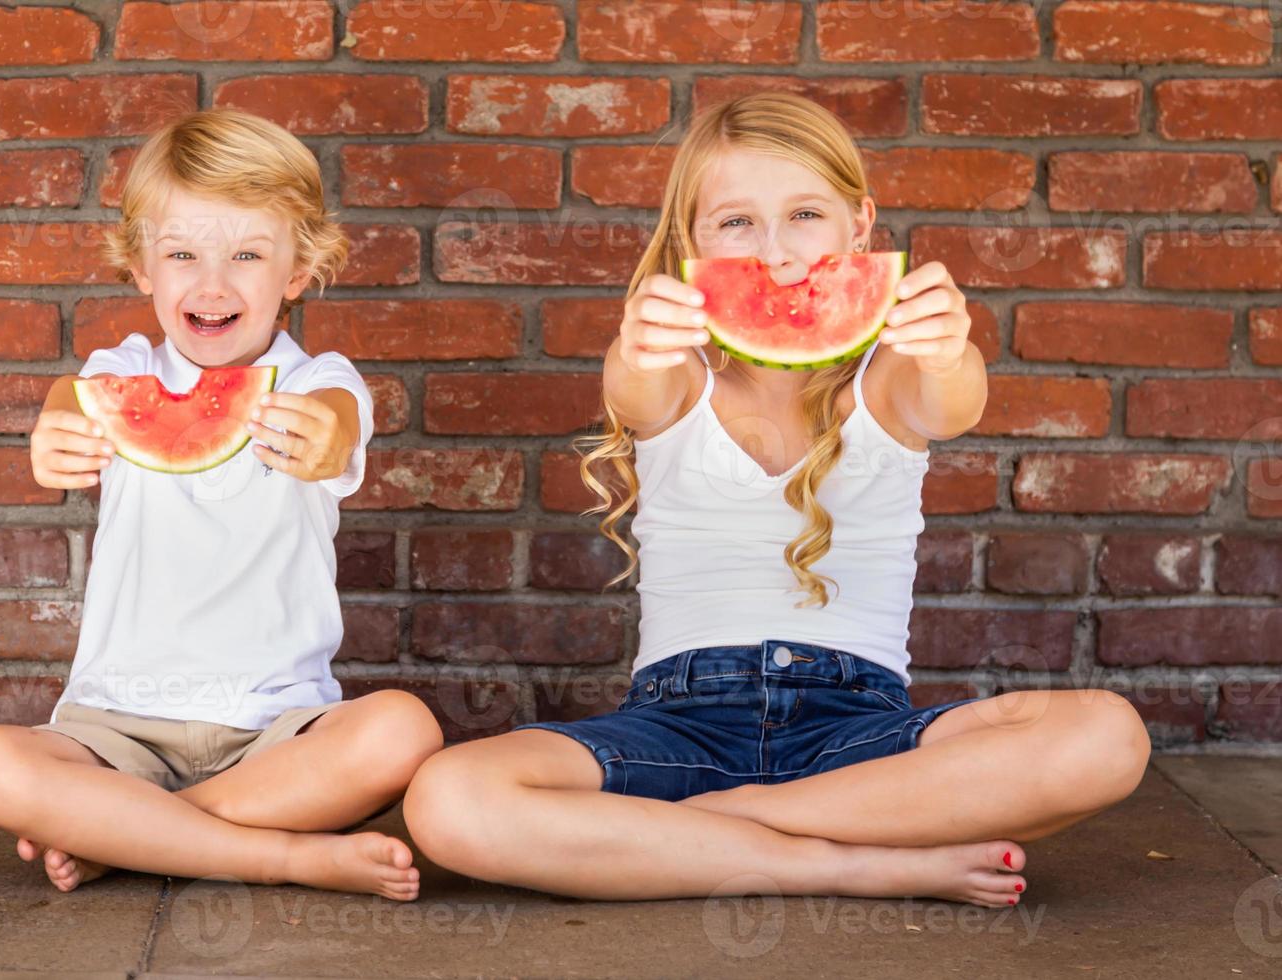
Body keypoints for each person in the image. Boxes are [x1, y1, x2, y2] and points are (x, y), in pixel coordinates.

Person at [401, 93, 1150, 906]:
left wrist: (948, 346)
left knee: (1108, 735)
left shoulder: (892, 378)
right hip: (677, 723)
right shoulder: (676, 377)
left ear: (859, 227)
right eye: (735, 224)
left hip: (859, 730)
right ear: (691, 242)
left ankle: (722, 825)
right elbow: (634, 381)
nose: (776, 254)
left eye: (804, 214)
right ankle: (850, 861)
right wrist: (637, 337)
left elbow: (953, 398)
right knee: (447, 799)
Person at [0, 108, 442, 900]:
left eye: (247, 254)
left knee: (401, 731)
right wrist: (55, 432)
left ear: (297, 271)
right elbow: (71, 398)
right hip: (114, 723)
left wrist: (324, 440)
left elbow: (340, 429)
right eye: (182, 254)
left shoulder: (321, 384)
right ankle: (280, 856)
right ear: (142, 267)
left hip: (275, 727)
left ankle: (130, 836)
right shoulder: (122, 366)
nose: (212, 284)